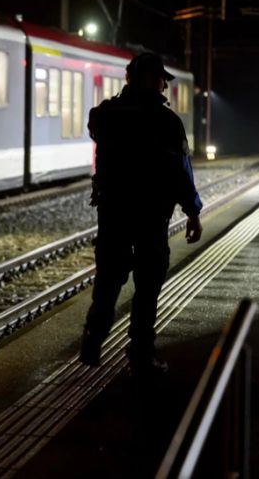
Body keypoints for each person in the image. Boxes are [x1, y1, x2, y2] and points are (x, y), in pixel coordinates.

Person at [80, 52, 203, 376]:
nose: (165, 84)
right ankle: (140, 353)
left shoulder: (105, 115)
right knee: (147, 287)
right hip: (150, 216)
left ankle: (93, 339)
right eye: (162, 78)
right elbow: (180, 173)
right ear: (152, 79)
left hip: (114, 213)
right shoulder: (166, 122)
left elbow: (96, 126)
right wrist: (193, 211)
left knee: (108, 279)